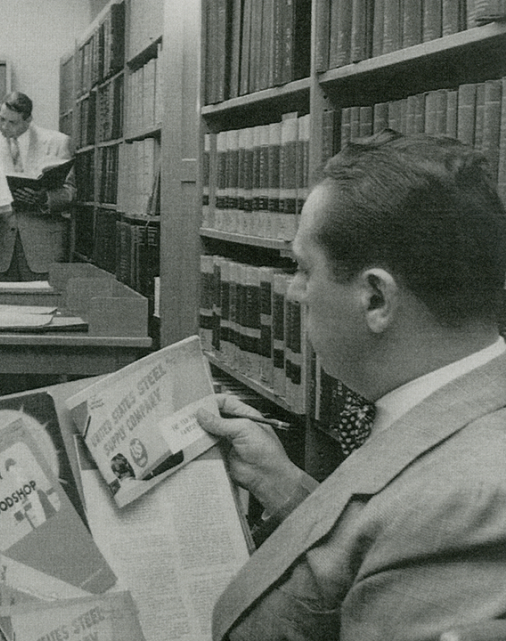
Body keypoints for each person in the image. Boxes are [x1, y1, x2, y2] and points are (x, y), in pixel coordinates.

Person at [196, 130, 506, 641]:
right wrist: (285, 486)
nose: (294, 292)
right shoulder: (458, 403)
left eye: (302, 268)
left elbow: (417, 516)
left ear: (376, 299)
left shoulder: (463, 507)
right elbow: (382, 539)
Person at [0, 91, 75, 281]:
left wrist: (44, 199)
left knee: (42, 306)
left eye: (12, 123)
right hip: (2, 246)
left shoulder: (57, 142)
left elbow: (70, 193)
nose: (4, 127)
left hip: (44, 247)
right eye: (2, 119)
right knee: (2, 307)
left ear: (28, 120)